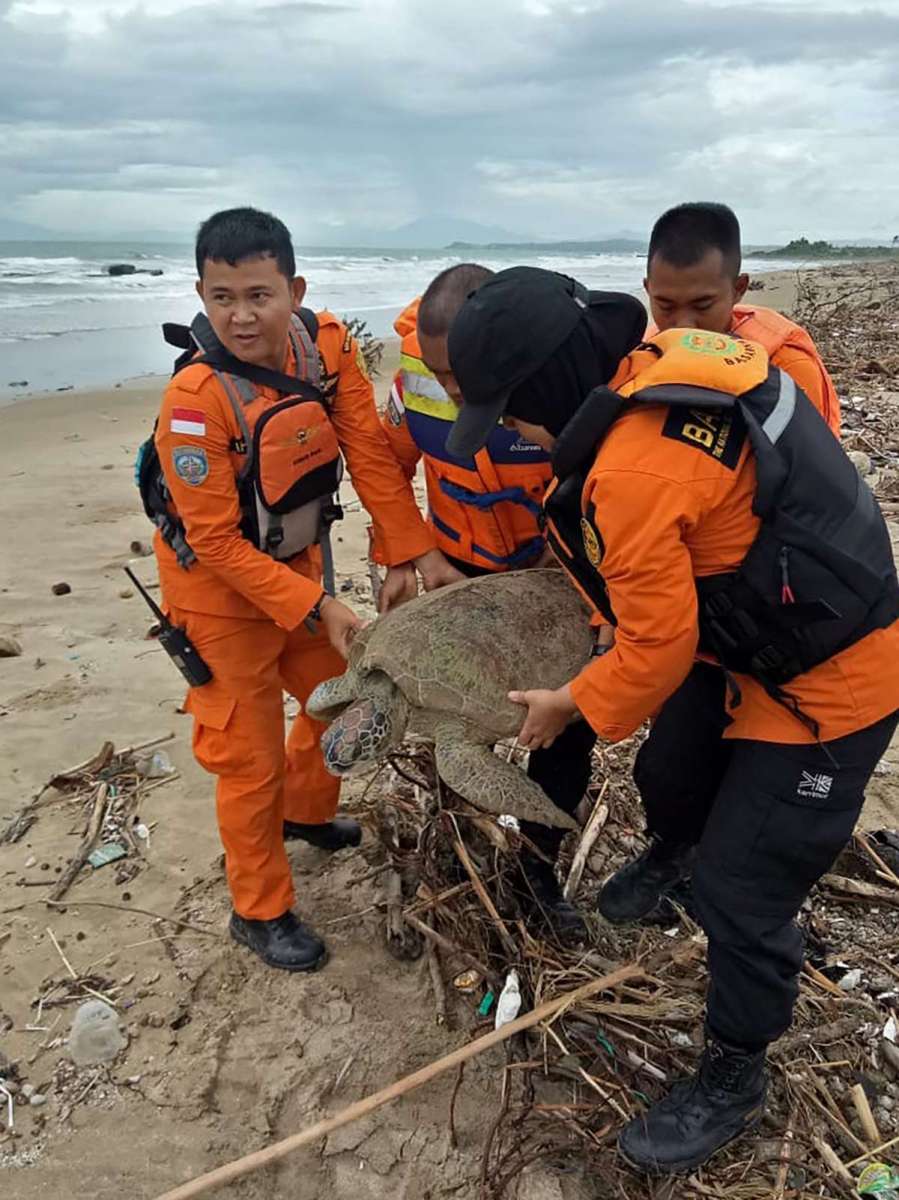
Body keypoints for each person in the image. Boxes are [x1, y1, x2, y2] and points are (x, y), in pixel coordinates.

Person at [444, 265, 899, 1173]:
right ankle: (674, 854)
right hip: (749, 636)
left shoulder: (632, 469)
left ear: (545, 388)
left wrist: (567, 703)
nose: (518, 433)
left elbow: (649, 655)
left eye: (512, 410)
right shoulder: (665, 363)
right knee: (669, 770)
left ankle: (736, 1072)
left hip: (829, 685)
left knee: (745, 888)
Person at [146, 207, 437, 972]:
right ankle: (259, 909)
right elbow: (212, 543)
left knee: (340, 694)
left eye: (259, 295)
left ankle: (307, 816)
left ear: (294, 288)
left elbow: (370, 452)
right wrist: (320, 607)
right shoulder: (193, 403)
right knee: (249, 760)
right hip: (216, 600)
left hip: (299, 573)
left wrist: (405, 550)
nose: (242, 315)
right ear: (201, 295)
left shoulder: (325, 349)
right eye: (222, 297)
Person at [378, 263, 602, 938]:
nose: (454, 389)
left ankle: (536, 874)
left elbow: (603, 485)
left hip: (554, 581)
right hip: (459, 572)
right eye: (444, 376)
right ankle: (455, 837)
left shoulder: (549, 374)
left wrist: (565, 556)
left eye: (466, 378)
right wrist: (407, 551)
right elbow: (385, 465)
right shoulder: (409, 379)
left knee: (562, 732)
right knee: (450, 722)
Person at [645, 202, 840, 434]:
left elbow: (814, 463)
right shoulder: (644, 350)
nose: (684, 327)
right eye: (666, 306)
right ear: (648, 289)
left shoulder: (785, 365)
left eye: (702, 305)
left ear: (739, 289)